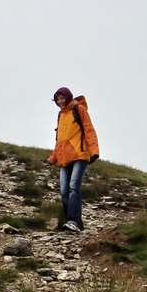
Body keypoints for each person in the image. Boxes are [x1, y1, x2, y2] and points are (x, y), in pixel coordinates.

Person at [46, 87, 100, 232]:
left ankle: (73, 221)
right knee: (64, 192)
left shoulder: (79, 109)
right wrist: (53, 158)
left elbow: (89, 130)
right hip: (64, 158)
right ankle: (76, 224)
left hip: (80, 155)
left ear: (68, 97)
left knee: (73, 187)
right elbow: (60, 140)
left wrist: (94, 151)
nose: (59, 101)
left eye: (62, 98)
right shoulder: (61, 115)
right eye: (57, 99)